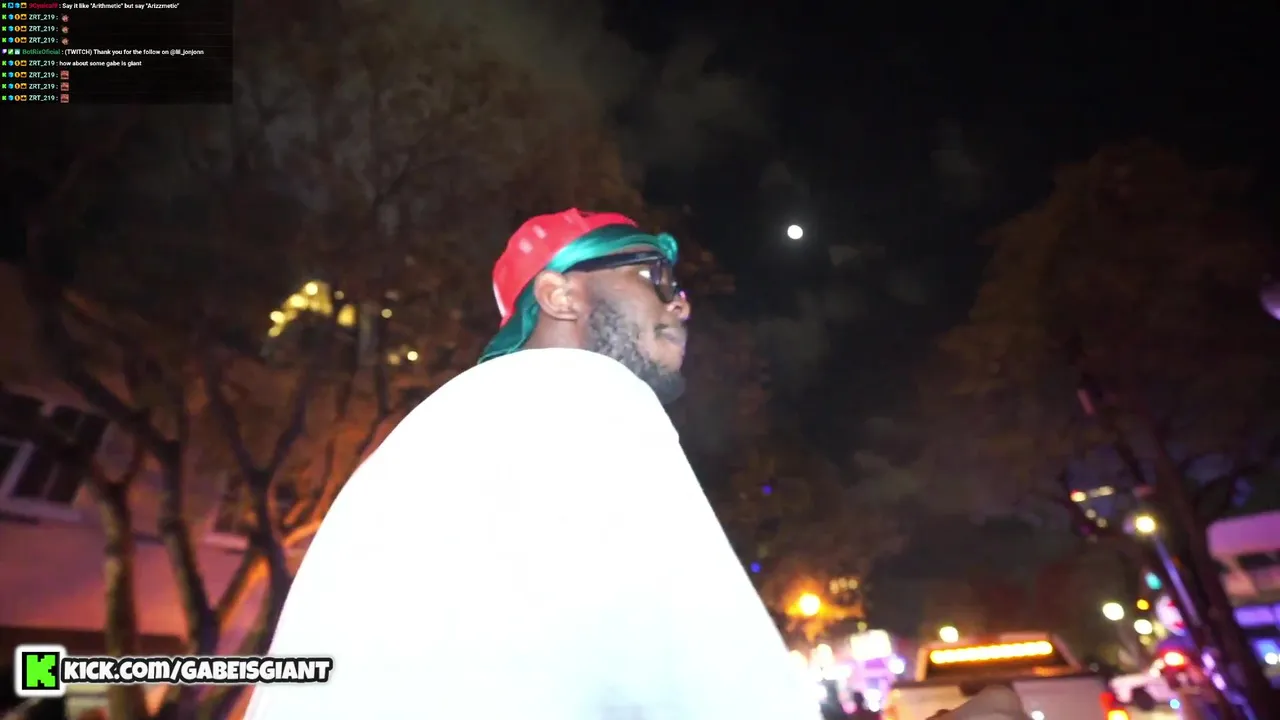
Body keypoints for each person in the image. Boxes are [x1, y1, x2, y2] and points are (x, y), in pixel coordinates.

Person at [243, 209, 819, 719]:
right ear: (560, 295)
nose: (680, 302)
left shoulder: (431, 433)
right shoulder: (594, 394)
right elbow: (722, 681)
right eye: (652, 276)